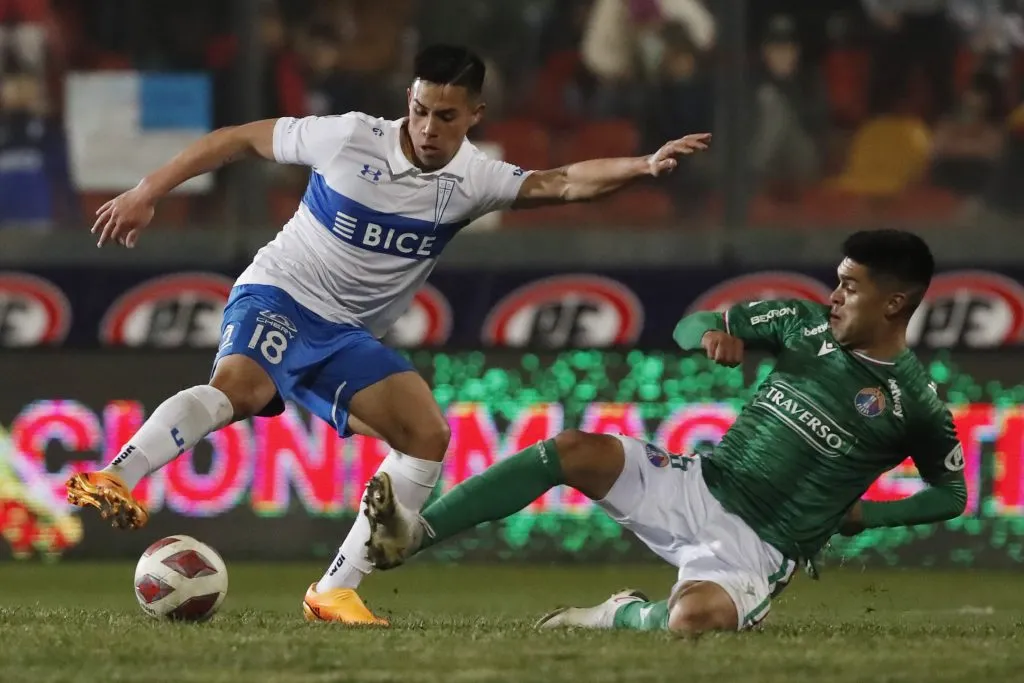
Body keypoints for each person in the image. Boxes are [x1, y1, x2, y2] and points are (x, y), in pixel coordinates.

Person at [63, 44, 710, 625]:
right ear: (409, 100)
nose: (430, 128)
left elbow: (563, 181)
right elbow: (237, 139)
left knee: (425, 434)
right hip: (280, 291)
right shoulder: (346, 138)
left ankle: (336, 590)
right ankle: (118, 473)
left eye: (447, 116)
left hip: (343, 333)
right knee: (239, 387)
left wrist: (643, 165)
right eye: (422, 109)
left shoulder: (474, 179)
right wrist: (148, 190)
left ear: (475, 115)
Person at [362, 229, 968, 634]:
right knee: (573, 449)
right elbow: (694, 323)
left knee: (692, 620)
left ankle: (619, 616)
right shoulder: (802, 323)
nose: (833, 297)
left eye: (851, 287)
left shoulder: (915, 404)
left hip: (762, 544)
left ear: (895, 305)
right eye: (837, 281)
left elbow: (952, 495)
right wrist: (711, 334)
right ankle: (415, 535)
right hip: (702, 482)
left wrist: (866, 518)